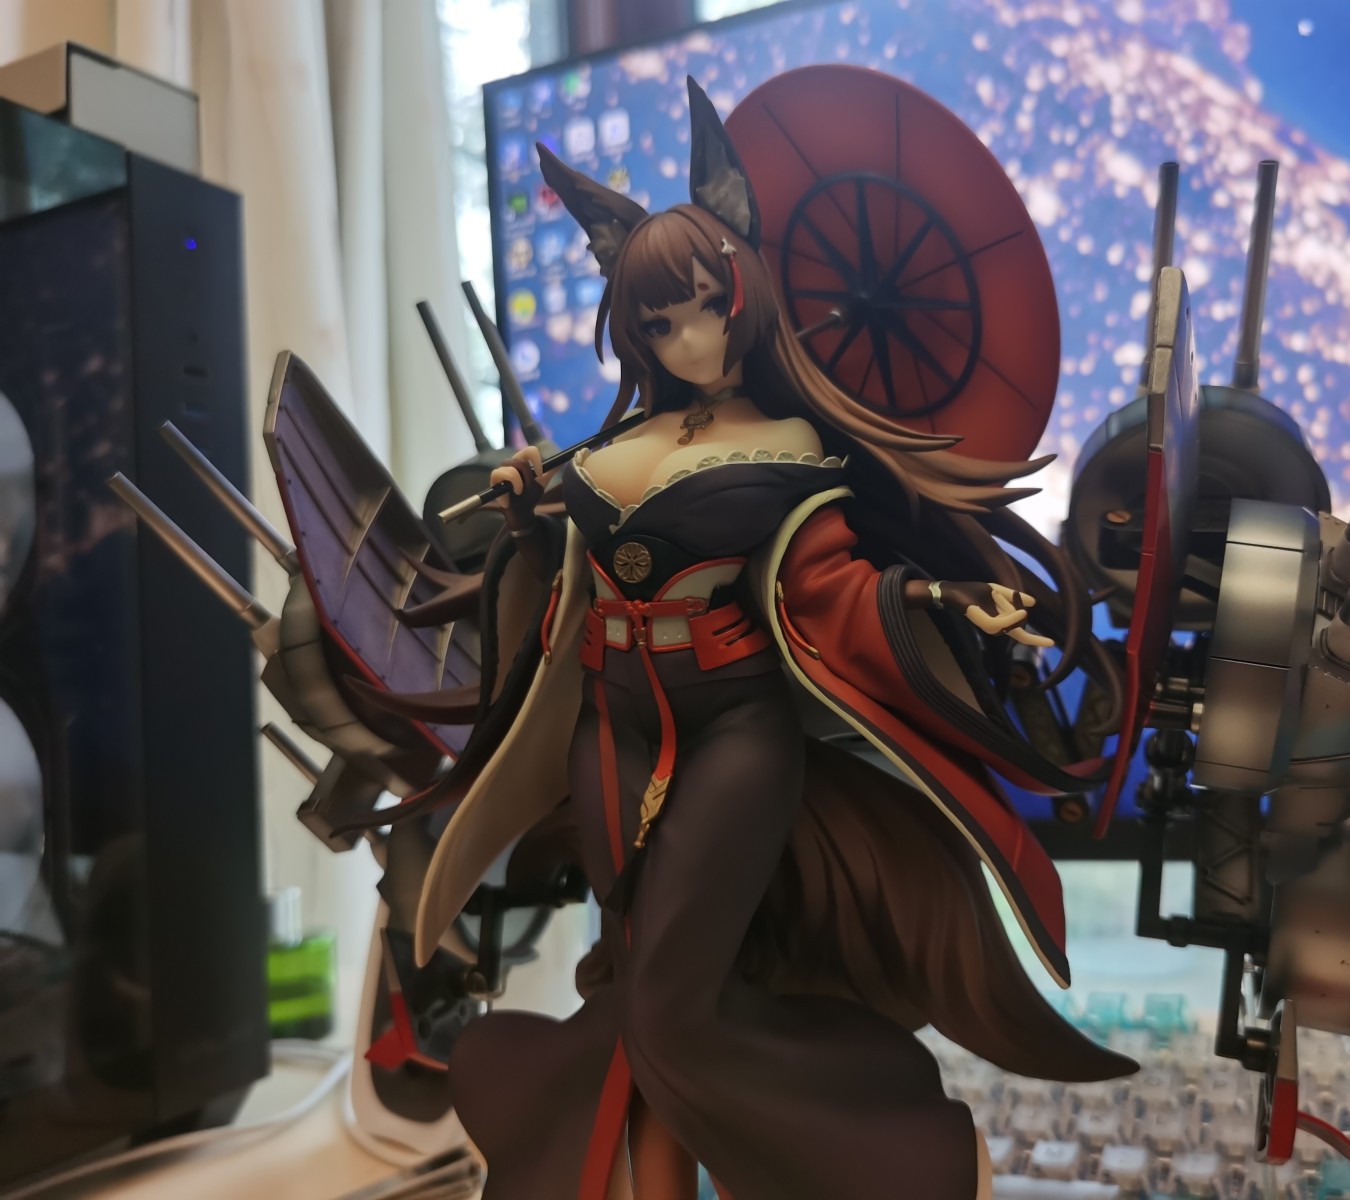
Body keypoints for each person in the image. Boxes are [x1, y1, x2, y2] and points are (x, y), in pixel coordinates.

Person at [410, 77, 1135, 1200]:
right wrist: (524, 508)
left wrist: (946, 602)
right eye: (661, 322)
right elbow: (569, 549)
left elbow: (832, 582)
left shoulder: (791, 443)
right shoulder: (612, 447)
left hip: (735, 728)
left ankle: (899, 1154)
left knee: (669, 1008)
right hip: (608, 724)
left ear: (745, 295)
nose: (691, 339)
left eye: (707, 308)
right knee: (633, 981)